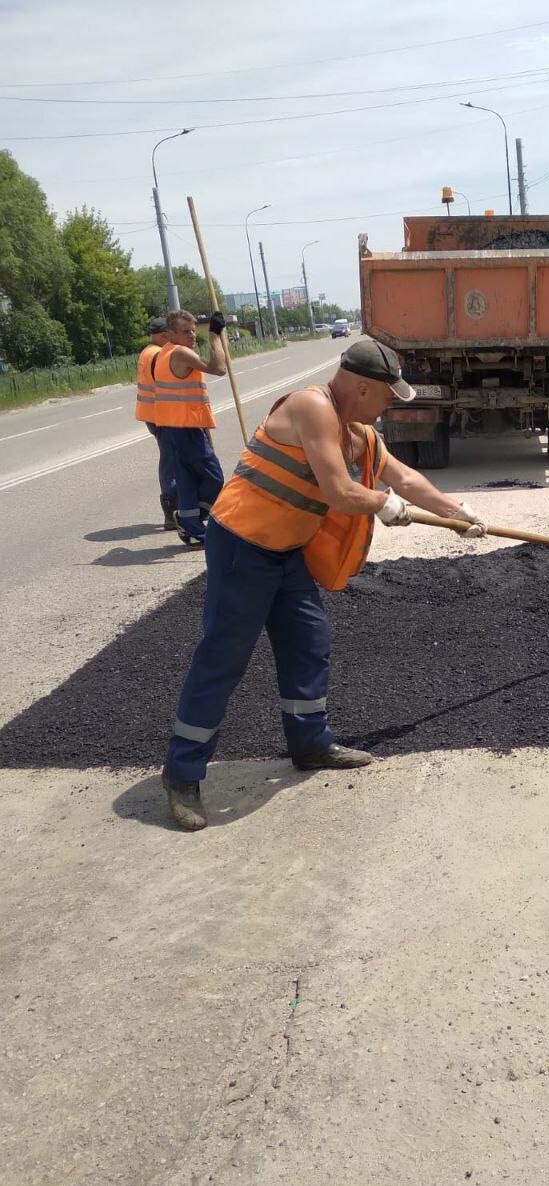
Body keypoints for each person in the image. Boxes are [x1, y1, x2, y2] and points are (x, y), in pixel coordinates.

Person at [161, 338, 489, 832]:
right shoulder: (312, 407)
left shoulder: (359, 431)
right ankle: (182, 773)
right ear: (361, 387)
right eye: (386, 396)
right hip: (242, 546)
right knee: (224, 656)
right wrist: (382, 504)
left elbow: (402, 476)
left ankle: (310, 744)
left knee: (308, 643)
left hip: (287, 550)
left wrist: (456, 511)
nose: (389, 407)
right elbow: (339, 490)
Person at [150, 309, 227, 545]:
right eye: (186, 332)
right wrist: (215, 336)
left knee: (187, 481)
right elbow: (219, 368)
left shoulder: (165, 352)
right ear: (170, 334)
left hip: (173, 426)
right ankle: (190, 520)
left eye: (194, 330)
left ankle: (192, 526)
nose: (192, 335)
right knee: (214, 478)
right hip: (185, 428)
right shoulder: (181, 353)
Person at [135, 317, 177, 529]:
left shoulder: (147, 351)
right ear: (163, 335)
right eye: (171, 335)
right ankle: (172, 510)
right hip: (161, 416)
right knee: (171, 461)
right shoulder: (159, 354)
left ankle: (174, 509)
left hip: (151, 415)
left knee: (169, 458)